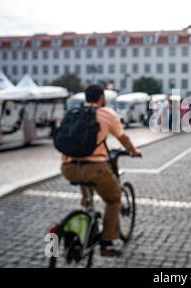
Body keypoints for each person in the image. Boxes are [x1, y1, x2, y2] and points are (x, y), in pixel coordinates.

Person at [61, 85, 142, 257]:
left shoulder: (73, 113)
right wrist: (133, 151)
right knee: (114, 199)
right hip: (94, 168)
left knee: (87, 193)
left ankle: (86, 217)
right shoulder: (106, 113)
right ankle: (107, 243)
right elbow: (122, 137)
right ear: (101, 98)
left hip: (68, 167)